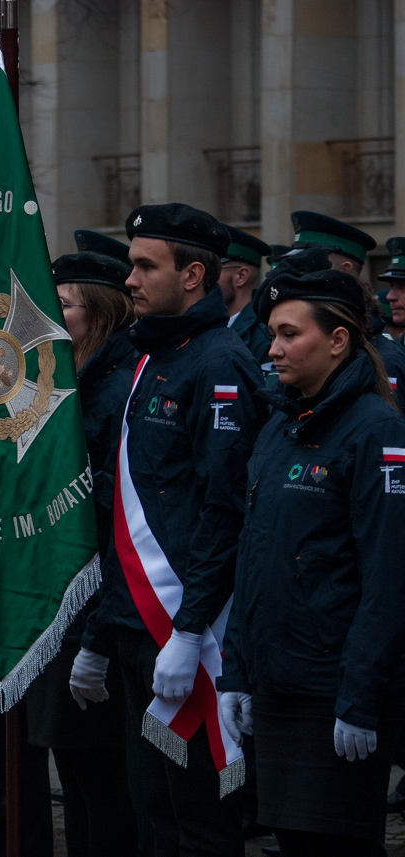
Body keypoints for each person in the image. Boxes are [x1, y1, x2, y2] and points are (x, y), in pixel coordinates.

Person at [75, 203, 262, 857]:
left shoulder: (218, 365)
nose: (129, 279)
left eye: (144, 265)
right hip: (134, 623)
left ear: (192, 275)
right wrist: (100, 630)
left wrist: (188, 631)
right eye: (130, 264)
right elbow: (121, 503)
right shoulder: (153, 355)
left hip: (186, 630)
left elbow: (223, 509)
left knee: (199, 820)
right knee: (150, 807)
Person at [219, 267, 405, 857]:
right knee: (296, 841)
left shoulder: (376, 430)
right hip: (279, 682)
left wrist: (360, 699)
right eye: (270, 333)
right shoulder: (280, 425)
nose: (271, 349)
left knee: (337, 845)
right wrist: (238, 670)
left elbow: (389, 576)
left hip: (333, 690)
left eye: (287, 333)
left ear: (338, 339)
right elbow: (255, 558)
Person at [23, 250, 139, 857]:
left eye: (64, 303)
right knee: (75, 774)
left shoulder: (118, 389)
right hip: (60, 604)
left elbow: (113, 522)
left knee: (104, 781)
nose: (50, 314)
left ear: (100, 313)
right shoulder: (62, 379)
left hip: (102, 613)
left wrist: (93, 632)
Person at [291, 211, 405, 411]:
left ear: (345, 269)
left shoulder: (384, 357)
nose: (298, 278)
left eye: (312, 267)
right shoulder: (305, 345)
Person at [220, 226, 272, 366]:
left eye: (214, 270)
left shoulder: (265, 334)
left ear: (241, 276)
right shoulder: (205, 325)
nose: (204, 278)